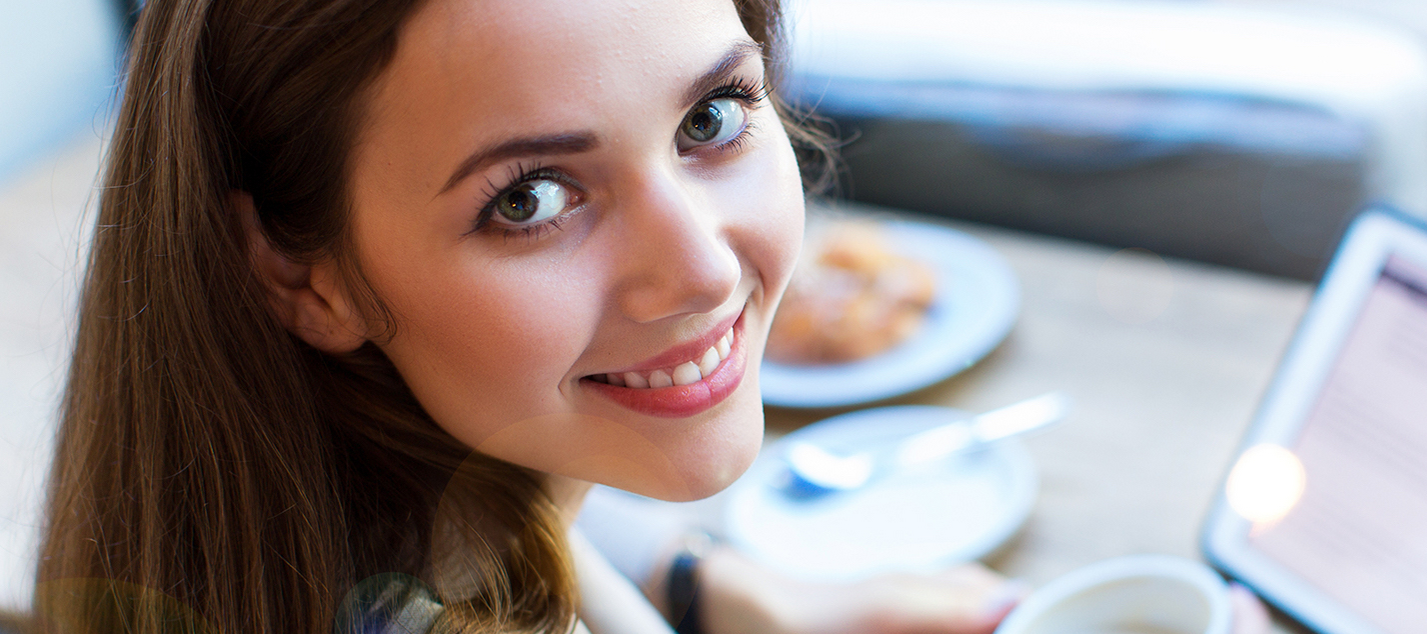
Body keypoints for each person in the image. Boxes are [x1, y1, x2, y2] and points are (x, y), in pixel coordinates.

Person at [31, 0, 1023, 632]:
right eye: (531, 199)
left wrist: (722, 590)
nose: (701, 270)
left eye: (710, 118)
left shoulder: (392, 498)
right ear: (303, 277)